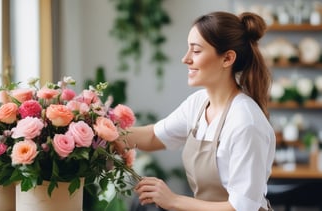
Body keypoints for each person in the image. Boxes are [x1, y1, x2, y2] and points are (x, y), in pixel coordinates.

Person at [116, 11, 276, 211]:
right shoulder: (199, 103)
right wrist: (100, 133)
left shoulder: (246, 123)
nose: (185, 59)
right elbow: (152, 137)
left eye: (196, 51)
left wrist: (172, 200)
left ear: (227, 58)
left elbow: (240, 208)